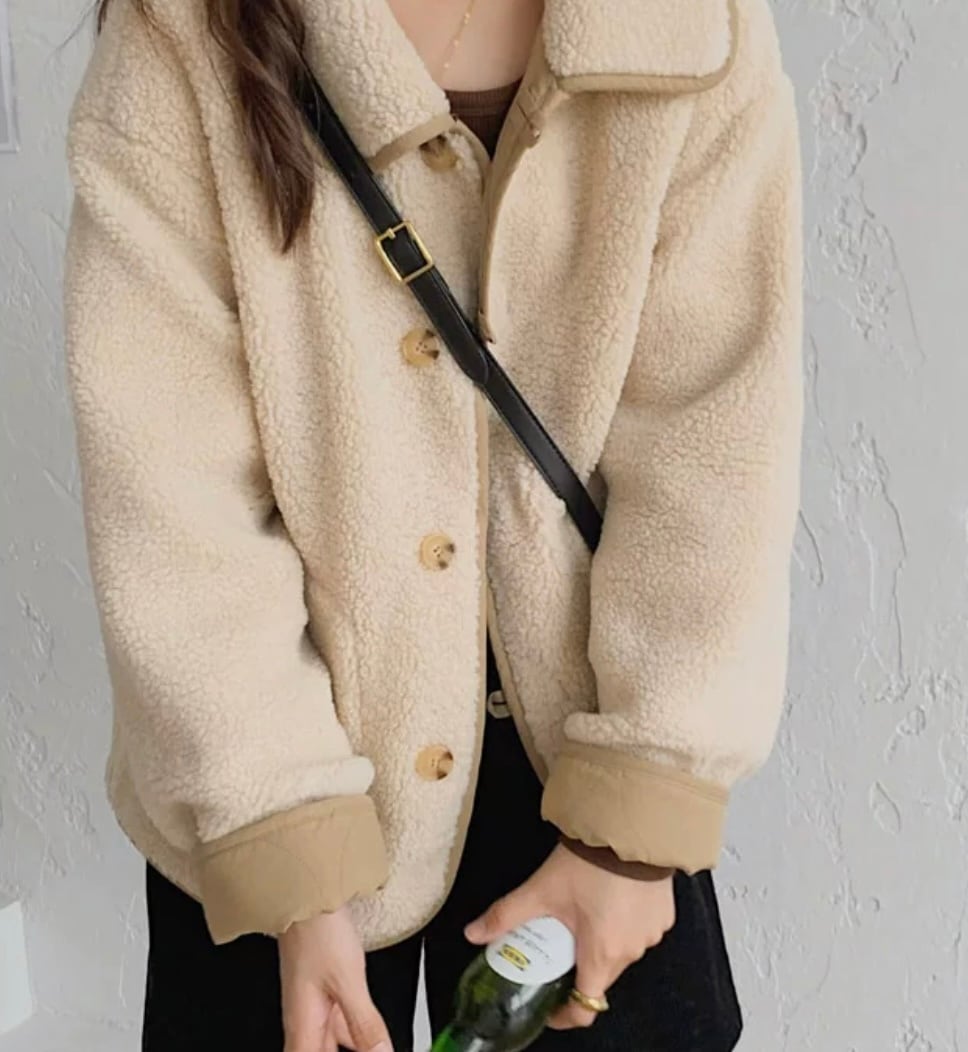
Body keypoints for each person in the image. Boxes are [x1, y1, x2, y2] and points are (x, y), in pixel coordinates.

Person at [62, 0, 803, 1048]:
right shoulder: (183, 32)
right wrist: (285, 847)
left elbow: (714, 441)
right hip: (266, 741)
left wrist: (635, 824)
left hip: (585, 748)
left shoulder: (689, 21)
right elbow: (170, 487)